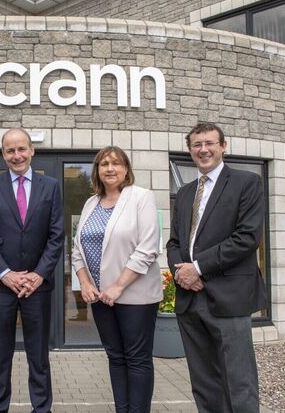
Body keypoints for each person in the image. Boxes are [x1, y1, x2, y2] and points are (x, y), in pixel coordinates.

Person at [166, 122, 267, 412]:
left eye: (209, 143)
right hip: (190, 298)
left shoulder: (247, 183)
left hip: (228, 298)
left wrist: (197, 268)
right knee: (204, 382)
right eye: (197, 145)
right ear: (190, 150)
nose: (203, 150)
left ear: (223, 146)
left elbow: (247, 238)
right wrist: (182, 273)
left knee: (238, 382)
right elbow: (174, 243)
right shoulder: (185, 192)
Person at [0, 127, 64, 413]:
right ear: (3, 154)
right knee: (0, 356)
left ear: (32, 150)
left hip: (38, 287)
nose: (17, 155)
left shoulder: (50, 186)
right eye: (10, 150)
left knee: (39, 357)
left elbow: (56, 236)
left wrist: (38, 274)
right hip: (0, 287)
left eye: (21, 149)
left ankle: (42, 409)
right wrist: (6, 274)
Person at [71, 146, 162, 413]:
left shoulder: (141, 197)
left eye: (116, 163)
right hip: (101, 298)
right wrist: (85, 282)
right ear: (97, 170)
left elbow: (148, 249)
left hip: (135, 296)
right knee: (116, 358)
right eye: (104, 164)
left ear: (126, 169)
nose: (110, 168)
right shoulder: (91, 203)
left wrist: (118, 286)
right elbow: (77, 250)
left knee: (137, 359)